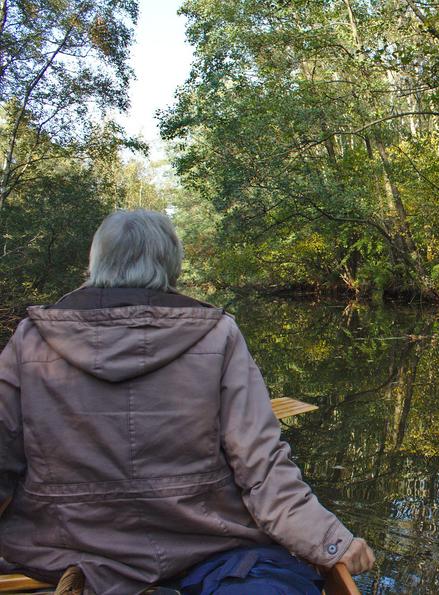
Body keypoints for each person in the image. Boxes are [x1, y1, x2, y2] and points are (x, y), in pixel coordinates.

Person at [0, 210, 374, 594]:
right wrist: (331, 542)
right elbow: (261, 465)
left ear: (96, 261)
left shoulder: (31, 338)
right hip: (203, 547)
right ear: (171, 265)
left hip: (60, 549)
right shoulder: (218, 334)